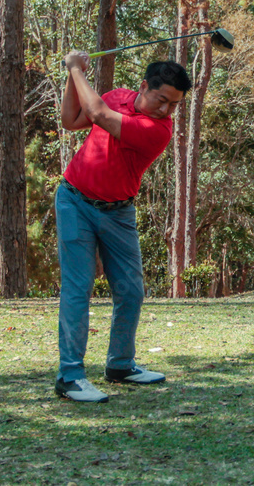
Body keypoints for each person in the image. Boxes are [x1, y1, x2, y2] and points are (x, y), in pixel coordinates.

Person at [55, 50, 192, 403]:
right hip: (74, 201)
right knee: (77, 288)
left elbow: (98, 113)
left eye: (174, 105)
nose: (166, 111)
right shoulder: (117, 96)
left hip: (118, 214)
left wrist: (74, 67)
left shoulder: (157, 130)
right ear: (144, 86)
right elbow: (71, 120)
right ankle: (70, 376)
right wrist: (74, 77)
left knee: (131, 291)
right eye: (161, 99)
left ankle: (120, 364)